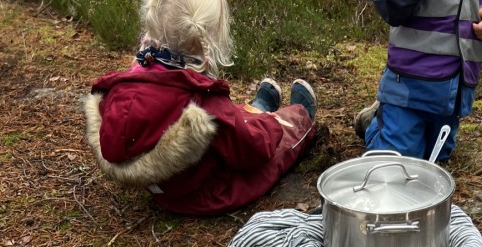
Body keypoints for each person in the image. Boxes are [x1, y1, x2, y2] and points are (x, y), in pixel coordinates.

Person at [84, 0, 317, 216]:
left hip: (163, 190)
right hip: (206, 194)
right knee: (273, 139)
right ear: (209, 39)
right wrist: (271, 127)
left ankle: (258, 107)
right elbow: (254, 150)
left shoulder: (121, 88)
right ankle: (300, 115)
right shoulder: (204, 103)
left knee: (226, 119)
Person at [356, 0, 482, 162]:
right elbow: (392, 10)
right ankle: (378, 123)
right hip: (407, 83)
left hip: (453, 89)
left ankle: (388, 119)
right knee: (397, 160)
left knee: (437, 156)